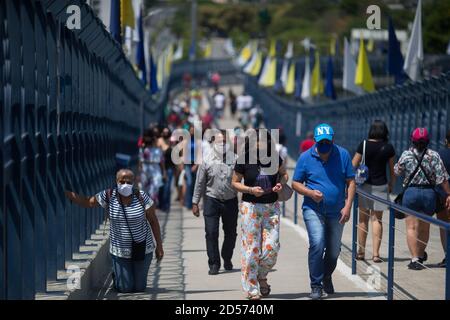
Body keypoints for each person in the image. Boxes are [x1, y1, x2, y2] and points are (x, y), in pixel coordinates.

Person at [64, 169, 164, 293]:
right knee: (125, 288)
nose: (125, 184)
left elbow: (153, 221)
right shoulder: (108, 195)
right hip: (120, 251)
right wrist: (68, 194)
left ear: (134, 182)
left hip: (143, 249)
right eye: (122, 181)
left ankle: (128, 276)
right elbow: (87, 202)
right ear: (116, 181)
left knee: (139, 288)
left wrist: (159, 246)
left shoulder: (141, 196)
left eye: (129, 182)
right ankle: (118, 277)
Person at [292, 123, 356, 300]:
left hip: (337, 211)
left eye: (328, 141)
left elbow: (351, 182)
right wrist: (310, 193)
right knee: (318, 243)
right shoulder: (305, 157)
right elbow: (295, 183)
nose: (324, 145)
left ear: (333, 140)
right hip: (313, 209)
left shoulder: (342, 154)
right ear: (315, 141)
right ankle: (316, 285)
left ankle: (326, 276)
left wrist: (348, 206)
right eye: (321, 142)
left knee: (334, 250)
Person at [232, 129, 288, 300]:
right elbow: (234, 183)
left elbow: (284, 174)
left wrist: (280, 183)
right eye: (257, 142)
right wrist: (250, 189)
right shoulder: (243, 159)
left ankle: (261, 276)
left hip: (271, 207)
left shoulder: (274, 157)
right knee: (251, 249)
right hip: (251, 206)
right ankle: (251, 288)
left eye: (263, 142)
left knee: (272, 247)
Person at [394, 128, 450, 270]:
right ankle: (420, 254)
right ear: (428, 141)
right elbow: (442, 178)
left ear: (412, 140)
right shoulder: (434, 155)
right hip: (429, 194)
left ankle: (415, 259)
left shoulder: (407, 154)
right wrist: (448, 194)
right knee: (425, 228)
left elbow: (397, 171)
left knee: (411, 227)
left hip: (411, 193)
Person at [192, 131, 239, 275]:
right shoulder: (206, 159)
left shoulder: (236, 159)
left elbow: (242, 180)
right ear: (213, 142)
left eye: (225, 141)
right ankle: (214, 263)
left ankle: (227, 257)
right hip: (211, 200)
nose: (222, 144)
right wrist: (195, 202)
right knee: (211, 232)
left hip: (231, 201)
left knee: (231, 233)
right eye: (219, 142)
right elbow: (199, 182)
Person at [352, 120, 396, 263]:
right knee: (377, 220)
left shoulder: (363, 145)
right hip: (381, 186)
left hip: (364, 186)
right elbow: (392, 170)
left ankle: (361, 252)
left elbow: (353, 164)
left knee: (362, 219)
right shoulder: (388, 148)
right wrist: (391, 184)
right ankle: (376, 254)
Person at [139, 129, 166, 205]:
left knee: (154, 189)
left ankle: (152, 206)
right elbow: (140, 161)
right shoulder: (142, 148)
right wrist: (139, 172)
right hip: (145, 170)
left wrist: (164, 172)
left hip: (155, 169)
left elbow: (162, 161)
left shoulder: (157, 149)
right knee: (145, 190)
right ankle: (147, 208)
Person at [436, 130, 450, 267]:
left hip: (444, 196)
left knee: (444, 226)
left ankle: (448, 256)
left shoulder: (440, 155)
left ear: (446, 141)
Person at [159, 128, 175, 213]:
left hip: (170, 168)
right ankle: (161, 204)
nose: (165, 133)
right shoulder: (159, 141)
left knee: (167, 187)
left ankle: (166, 205)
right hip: (160, 168)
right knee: (161, 187)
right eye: (164, 132)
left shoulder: (171, 142)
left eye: (167, 132)